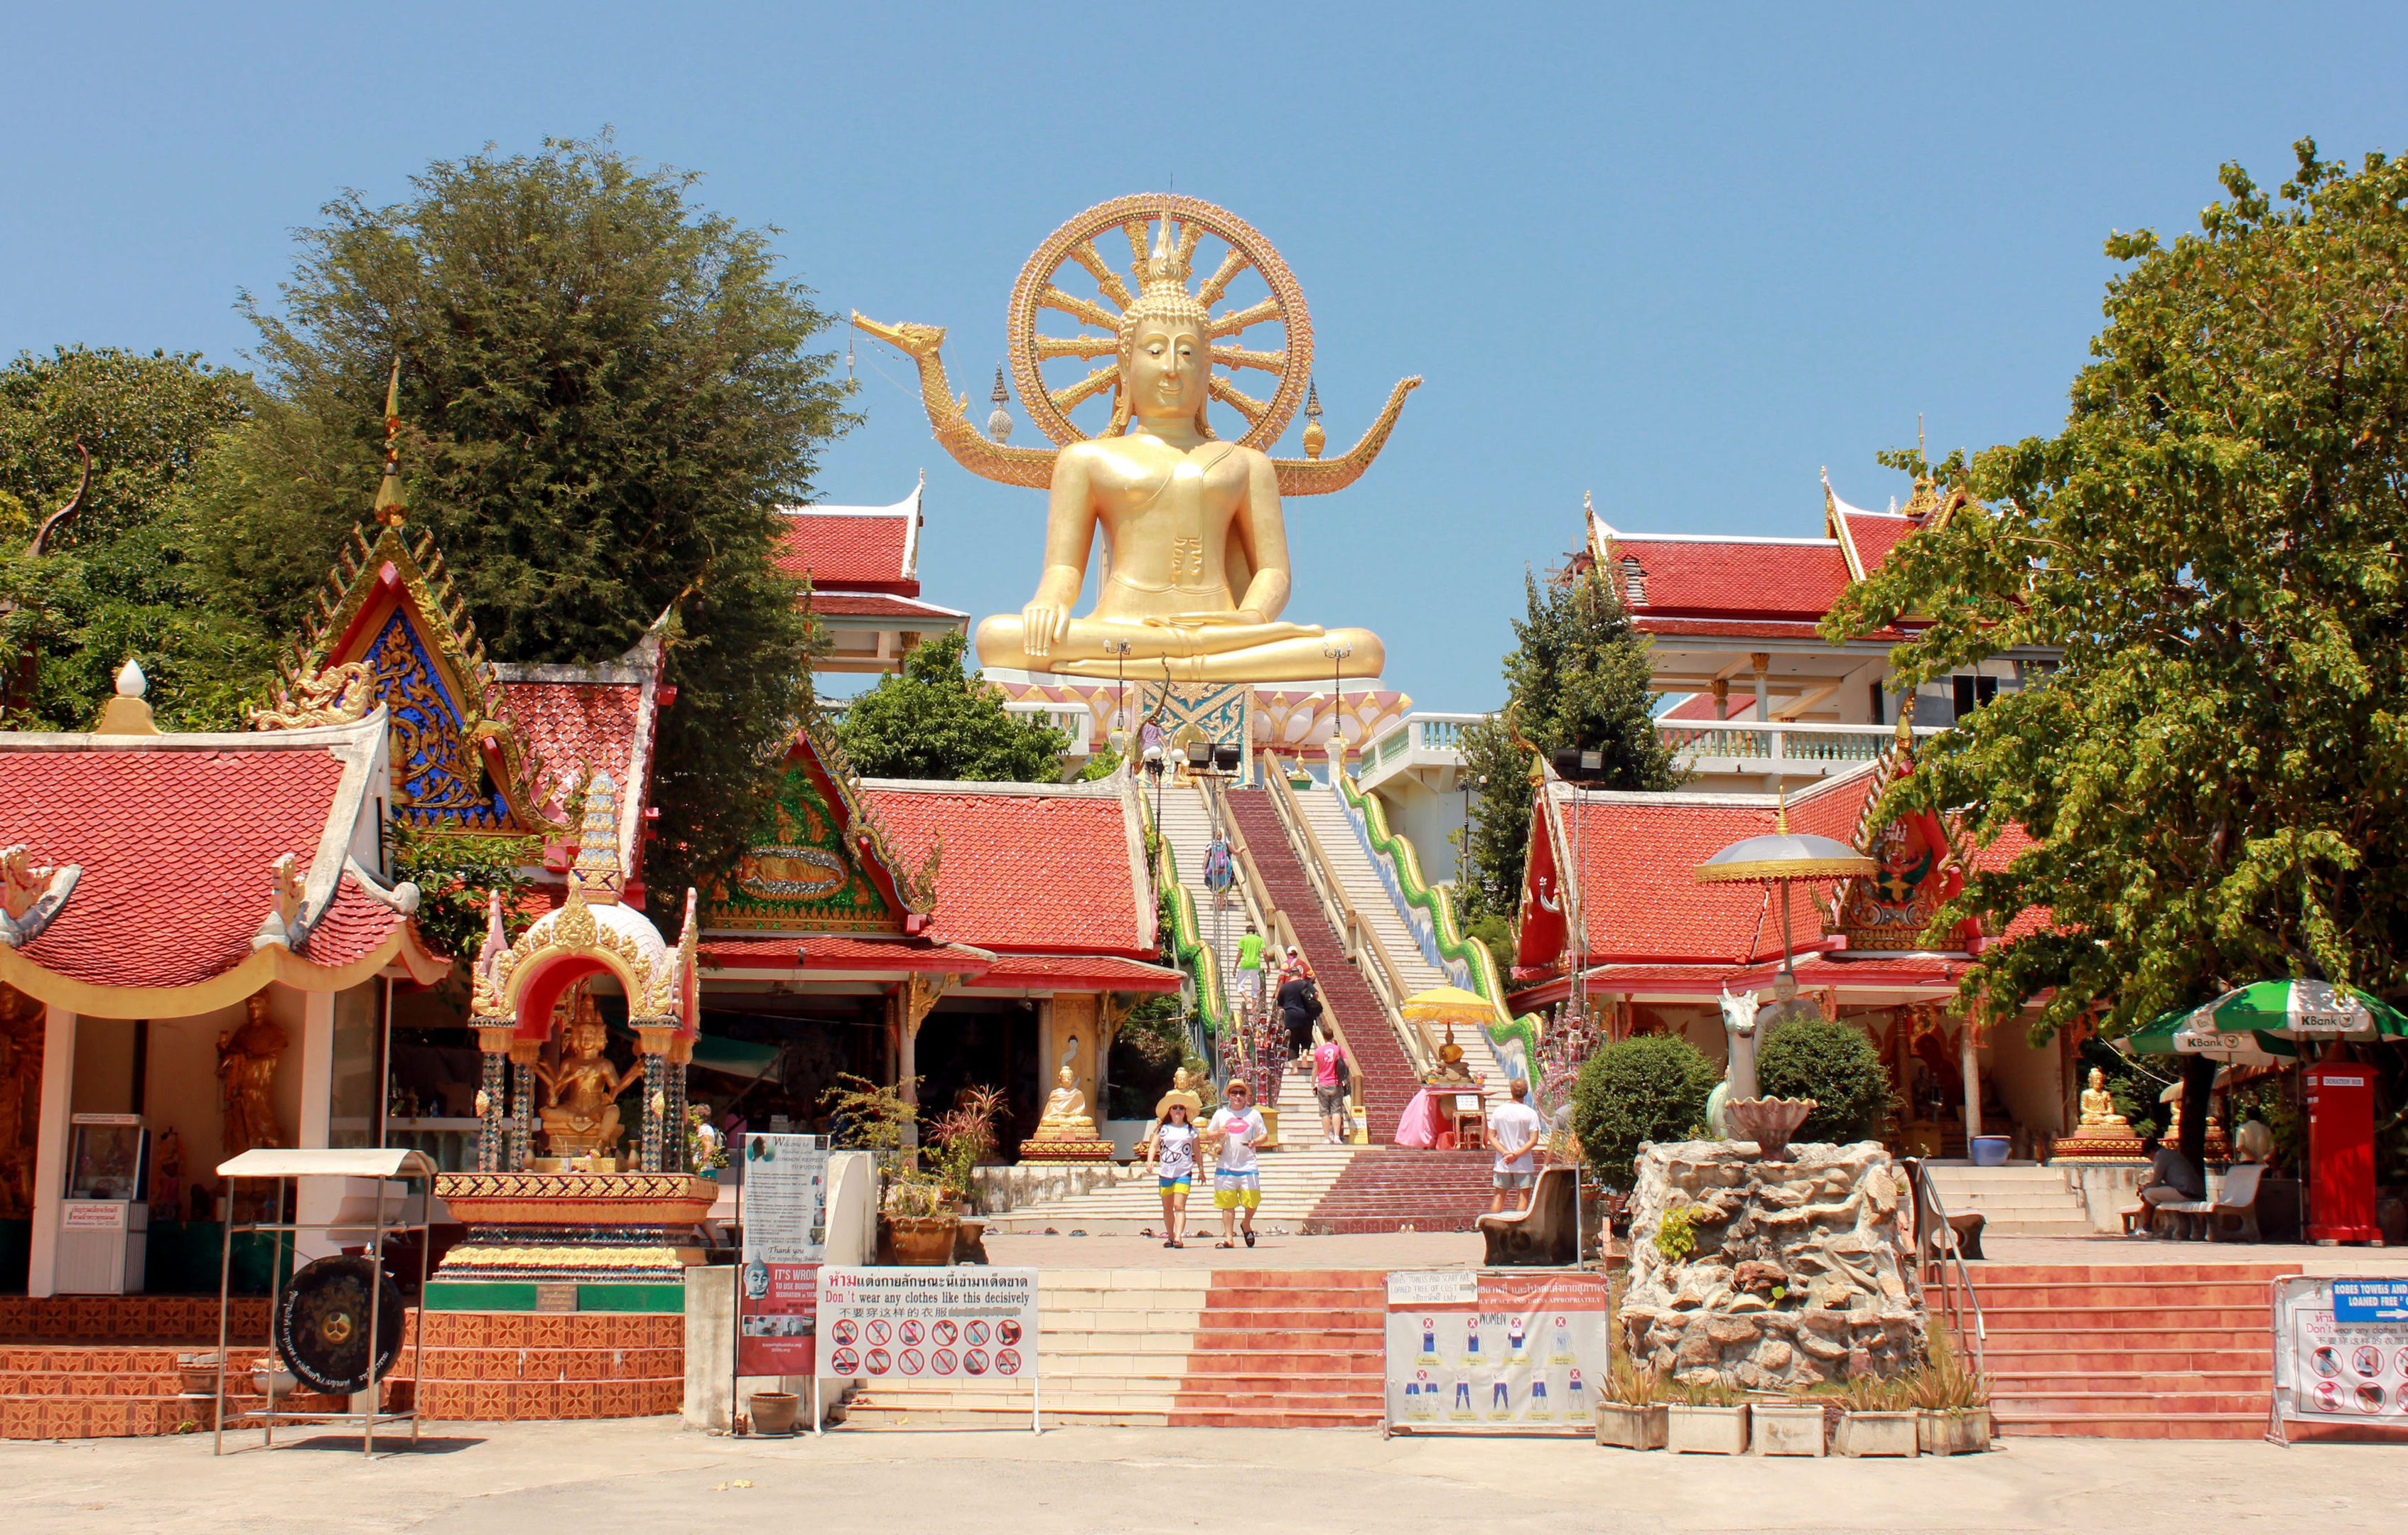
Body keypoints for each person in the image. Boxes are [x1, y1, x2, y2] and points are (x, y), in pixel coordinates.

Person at [1206, 1079, 1268, 1249]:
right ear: (1229, 1096)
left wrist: (1255, 1142)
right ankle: (1229, 1238)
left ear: (1246, 1096)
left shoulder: (1253, 1114)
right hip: (1226, 1166)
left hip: (1248, 1165)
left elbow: (1264, 1135)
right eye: (1234, 1093)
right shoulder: (1221, 1114)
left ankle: (1246, 1224)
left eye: (1241, 1093)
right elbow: (1208, 1133)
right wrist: (1218, 1132)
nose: (1238, 1096)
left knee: (1252, 1201)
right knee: (1227, 1204)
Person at [1485, 1078, 1545, 1214]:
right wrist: (1516, 1154)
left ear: (1511, 1091)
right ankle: (1518, 1228)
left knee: (1499, 1196)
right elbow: (1533, 1140)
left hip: (1503, 1162)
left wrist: (1505, 1153)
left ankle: (1495, 1227)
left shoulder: (1499, 1111)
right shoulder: (1530, 1113)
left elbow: (1491, 1136)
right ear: (1526, 1092)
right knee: (1523, 1198)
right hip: (1523, 1163)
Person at [1145, 1100, 1199, 1249]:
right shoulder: (1163, 1129)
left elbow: (1197, 1151)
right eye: (1174, 1108)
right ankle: (1170, 1235)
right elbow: (1154, 1145)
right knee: (1168, 1208)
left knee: (1179, 1206)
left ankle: (1178, 1237)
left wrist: (1201, 1170)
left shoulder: (1191, 1130)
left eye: (1181, 1108)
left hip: (1184, 1172)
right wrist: (1150, 1161)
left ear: (1185, 1112)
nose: (1178, 1110)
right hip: (1166, 1172)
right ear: (1169, 1111)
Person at [2135, 1137, 2205, 1235]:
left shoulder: (2160, 1156)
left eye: (2148, 1156)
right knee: (2150, 1195)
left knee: (2148, 1194)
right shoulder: (2170, 1154)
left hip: (2185, 1192)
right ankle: (2150, 1226)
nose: (2150, 1160)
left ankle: (2146, 1227)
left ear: (2152, 1151)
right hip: (2193, 1191)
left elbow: (2156, 1183)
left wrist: (2143, 1188)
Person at [1310, 1025, 1349, 1145]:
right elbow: (1347, 1065)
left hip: (1323, 1083)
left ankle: (1327, 1137)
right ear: (1333, 1036)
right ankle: (1337, 1136)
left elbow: (1315, 1069)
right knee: (1337, 1110)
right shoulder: (1339, 1049)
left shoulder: (1318, 1051)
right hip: (1336, 1083)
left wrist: (1313, 1084)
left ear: (1323, 1037)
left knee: (1325, 1112)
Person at [1278, 967, 1319, 1065]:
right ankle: (1305, 1053)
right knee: (1307, 1038)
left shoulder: (1284, 987)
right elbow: (1316, 994)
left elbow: (1280, 1006)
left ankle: (1295, 1067)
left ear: (1290, 976)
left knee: (1292, 1042)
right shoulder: (1306, 983)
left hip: (1290, 1017)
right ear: (1300, 974)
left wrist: (1280, 1020)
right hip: (1306, 1016)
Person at [1236, 923, 1265, 1016]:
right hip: (1255, 964)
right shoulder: (1259, 940)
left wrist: (1235, 966)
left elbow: (1240, 954)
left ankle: (1246, 998)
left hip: (1245, 964)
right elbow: (1265, 953)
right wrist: (1268, 966)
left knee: (1240, 984)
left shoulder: (1243, 939)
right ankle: (1253, 1008)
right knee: (1256, 986)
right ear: (1254, 931)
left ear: (1246, 931)